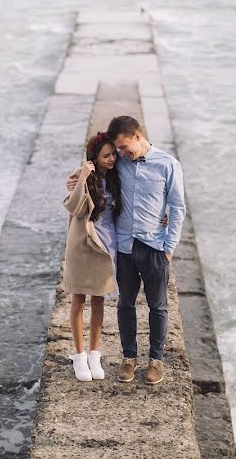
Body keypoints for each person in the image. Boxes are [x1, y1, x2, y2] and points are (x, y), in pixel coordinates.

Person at [66, 115, 185, 385]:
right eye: (116, 150)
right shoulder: (120, 164)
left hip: (155, 245)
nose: (120, 154)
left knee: (158, 306)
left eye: (123, 147)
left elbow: (178, 208)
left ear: (138, 136)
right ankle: (128, 358)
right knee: (125, 304)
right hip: (123, 246)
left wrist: (169, 246)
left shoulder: (168, 164)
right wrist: (75, 180)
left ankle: (155, 360)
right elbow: (94, 166)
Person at [61, 132, 122, 381]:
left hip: (107, 245)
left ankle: (95, 353)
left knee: (99, 301)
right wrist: (83, 176)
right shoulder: (81, 176)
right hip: (84, 244)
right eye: (105, 156)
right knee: (79, 300)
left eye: (113, 155)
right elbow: (73, 207)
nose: (111, 159)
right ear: (93, 158)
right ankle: (79, 354)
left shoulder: (117, 177)